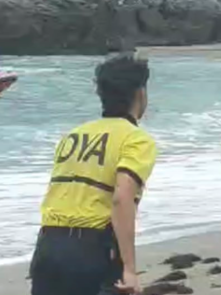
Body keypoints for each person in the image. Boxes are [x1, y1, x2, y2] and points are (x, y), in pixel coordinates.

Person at [30, 52, 157, 295]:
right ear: (140, 93)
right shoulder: (136, 139)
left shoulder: (73, 135)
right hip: (93, 249)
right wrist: (129, 268)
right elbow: (122, 198)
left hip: (48, 245)